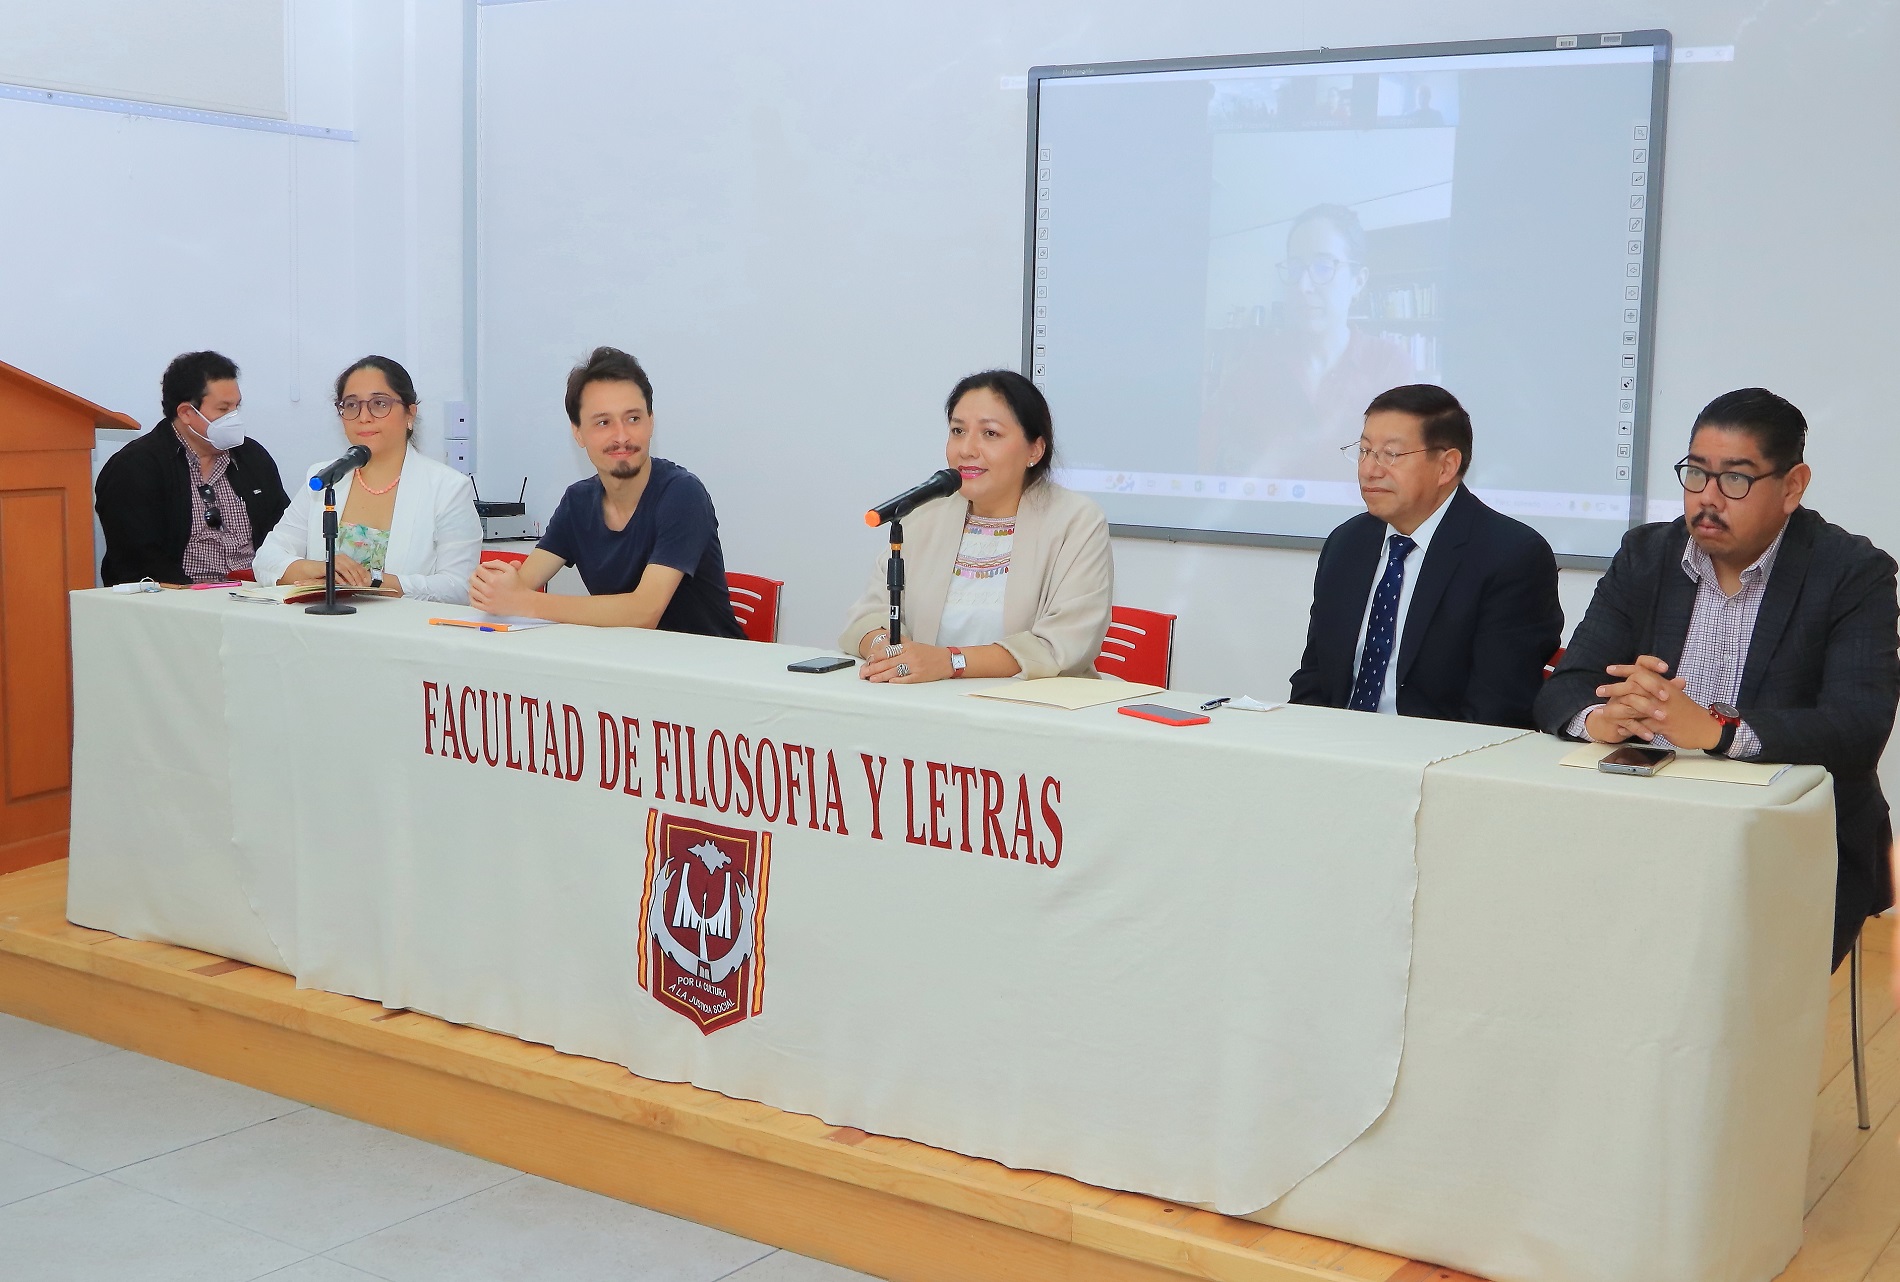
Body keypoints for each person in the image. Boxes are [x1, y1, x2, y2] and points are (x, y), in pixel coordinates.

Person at [1535, 389, 1900, 969]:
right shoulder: (1647, 555)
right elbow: (1566, 683)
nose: (1707, 499)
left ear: (1793, 486)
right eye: (1696, 475)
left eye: (1735, 480)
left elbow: (1858, 728)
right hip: (1639, 830)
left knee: (1717, 999)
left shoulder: (1851, 572)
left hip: (1788, 849)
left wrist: (1718, 732)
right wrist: (1601, 718)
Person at [1289, 384, 1562, 728]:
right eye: (1364, 450)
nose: (1369, 470)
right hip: (1335, 748)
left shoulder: (1511, 556)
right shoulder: (1348, 543)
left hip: (1436, 761)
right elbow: (1315, 677)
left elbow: (1498, 710)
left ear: (1447, 466)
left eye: (1390, 454)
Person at [840, 370, 1112, 683]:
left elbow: (1063, 643)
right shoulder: (923, 515)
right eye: (958, 431)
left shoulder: (1076, 521)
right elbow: (866, 617)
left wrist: (951, 661)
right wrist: (886, 647)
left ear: (1034, 450)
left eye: (990, 434)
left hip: (1034, 712)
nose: (966, 449)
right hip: (928, 704)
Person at [467, 346, 743, 636]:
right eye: (603, 422)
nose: (622, 436)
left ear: (651, 422)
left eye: (633, 418)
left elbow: (643, 612)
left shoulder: (683, 494)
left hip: (706, 668)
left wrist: (525, 602)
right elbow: (522, 583)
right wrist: (495, 585)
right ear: (578, 432)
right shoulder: (578, 502)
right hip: (624, 666)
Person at [1199, 204, 1416, 480]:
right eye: (1295, 268)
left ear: (1358, 281)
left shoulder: (1389, 366)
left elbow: (1407, 476)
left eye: (1324, 267)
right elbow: (1209, 457)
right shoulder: (1255, 364)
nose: (1303, 285)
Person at [252, 356, 480, 603]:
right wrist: (320, 570)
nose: (364, 417)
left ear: (410, 414)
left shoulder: (448, 488)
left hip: (406, 635)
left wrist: (371, 581)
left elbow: (460, 587)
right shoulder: (324, 478)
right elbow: (266, 559)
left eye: (379, 404)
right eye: (351, 405)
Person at [95, 351, 289, 584]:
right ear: (186, 413)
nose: (234, 418)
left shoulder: (252, 457)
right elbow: (138, 559)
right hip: (179, 602)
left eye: (236, 407)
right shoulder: (134, 468)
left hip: (256, 596)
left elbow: (283, 533)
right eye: (223, 409)